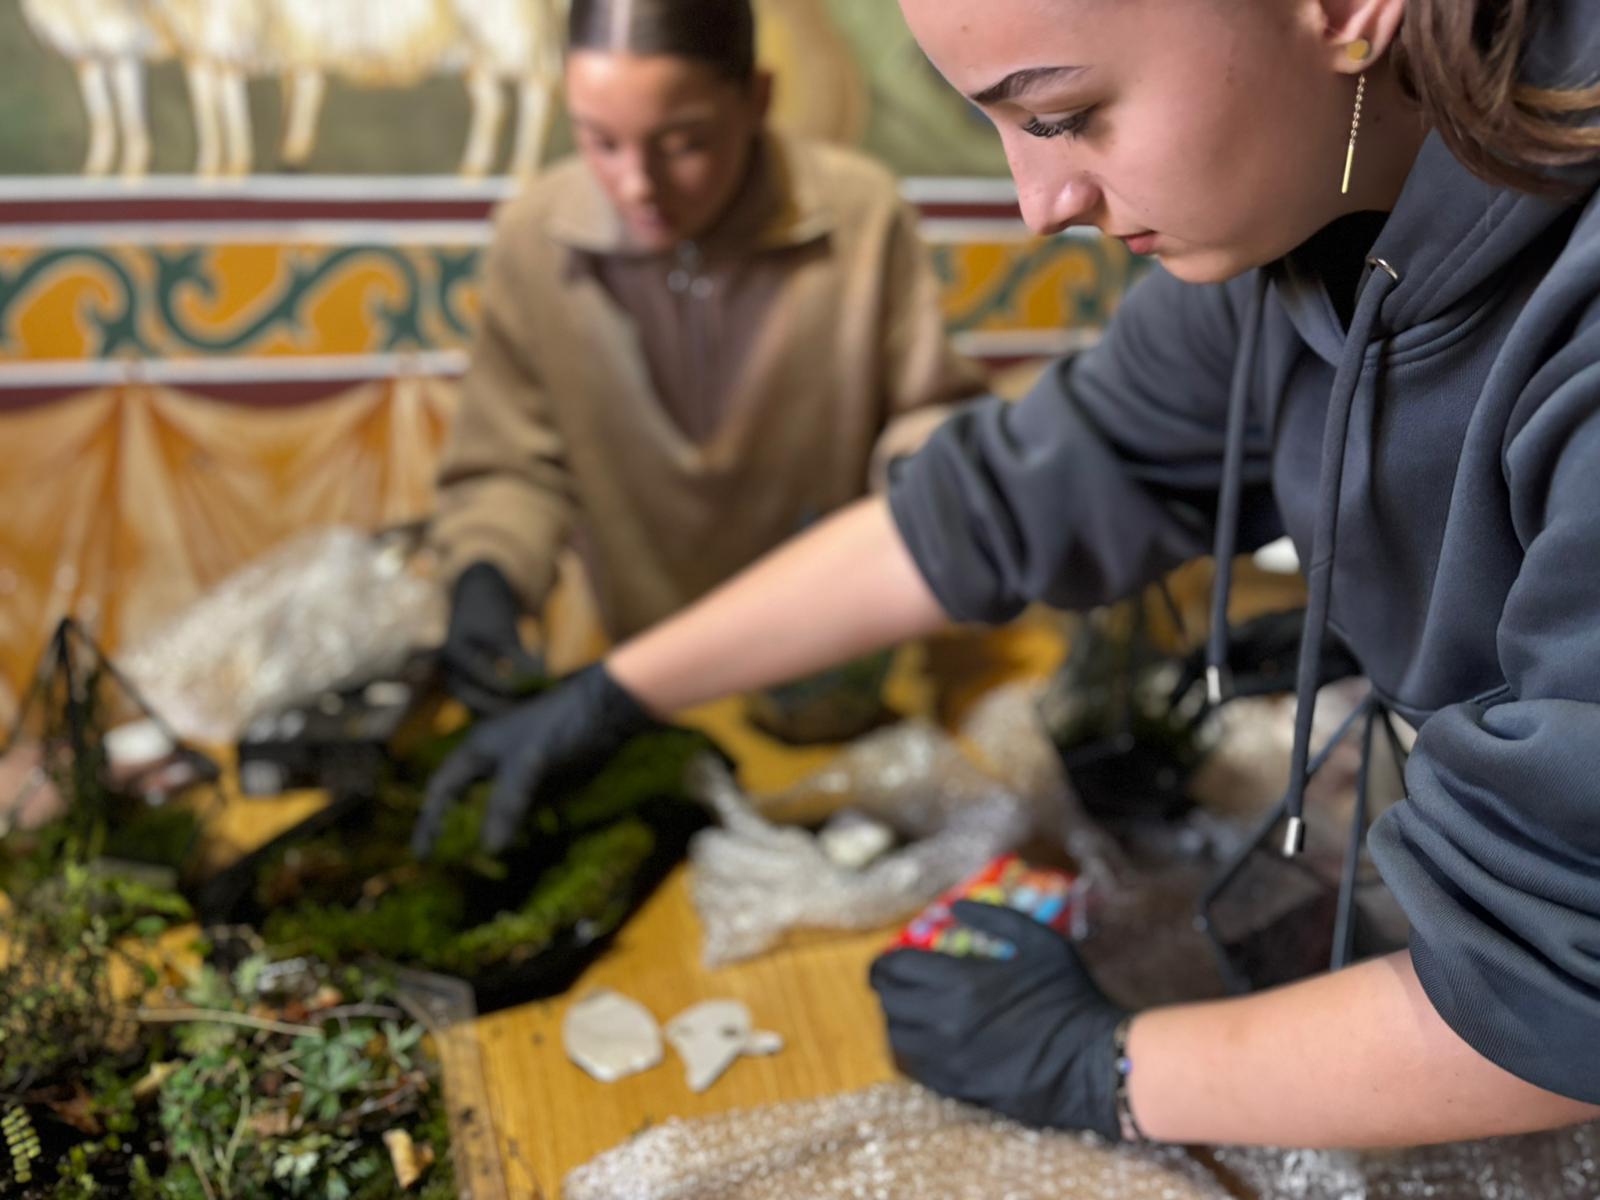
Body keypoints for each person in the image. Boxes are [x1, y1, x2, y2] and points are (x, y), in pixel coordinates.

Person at [414, 0, 1600, 1152]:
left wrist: (1104, 1066)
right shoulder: (1291, 236)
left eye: (1062, 115)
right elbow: (999, 500)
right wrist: (620, 689)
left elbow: (1552, 1002)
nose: (1040, 206)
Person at [427, 0, 985, 714]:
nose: (638, 185)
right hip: (643, 679)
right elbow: (510, 464)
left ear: (757, 100)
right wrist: (487, 575)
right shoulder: (535, 239)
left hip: (832, 663)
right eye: (600, 141)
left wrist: (924, 482)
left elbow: (926, 411)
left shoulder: (861, 216)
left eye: (684, 143)